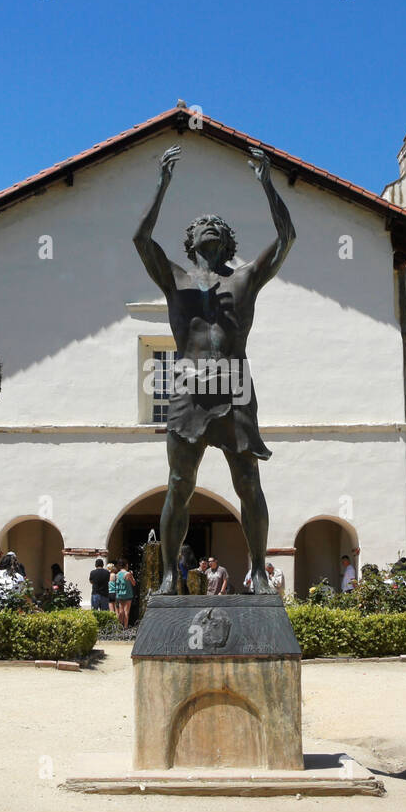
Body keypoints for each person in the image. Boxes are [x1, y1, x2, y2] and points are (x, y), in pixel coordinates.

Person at [136, 143, 295, 597]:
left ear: (227, 241)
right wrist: (161, 187)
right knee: (179, 483)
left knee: (248, 482)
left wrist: (267, 184)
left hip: (235, 387)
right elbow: (141, 241)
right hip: (188, 387)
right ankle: (169, 575)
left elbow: (286, 239)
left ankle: (260, 572)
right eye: (202, 224)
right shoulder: (176, 279)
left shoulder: (243, 278)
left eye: (217, 226)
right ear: (191, 241)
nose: (210, 226)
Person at [111, 559, 135, 627]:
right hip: (128, 595)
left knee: (121, 612)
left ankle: (119, 628)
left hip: (120, 595)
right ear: (126, 565)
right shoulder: (128, 574)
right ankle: (125, 628)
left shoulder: (117, 574)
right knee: (126, 612)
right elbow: (134, 583)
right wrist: (131, 575)